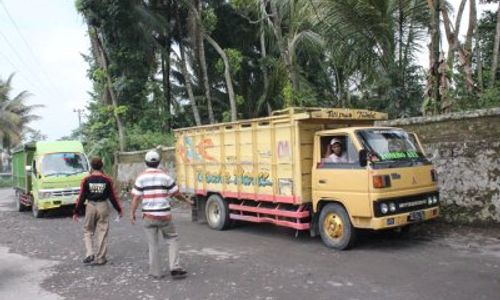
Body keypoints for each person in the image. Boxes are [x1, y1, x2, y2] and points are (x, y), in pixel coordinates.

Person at [129, 150, 193, 280]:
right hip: (164, 216)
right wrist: (187, 201)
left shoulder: (141, 177)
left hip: (148, 217)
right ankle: (175, 267)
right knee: (172, 239)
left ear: (146, 162)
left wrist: (132, 213)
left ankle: (156, 272)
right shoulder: (165, 176)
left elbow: (136, 198)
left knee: (153, 244)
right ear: (158, 163)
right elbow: (176, 193)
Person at [73, 157, 123, 265]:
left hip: (90, 206)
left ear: (91, 166)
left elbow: (81, 197)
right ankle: (100, 258)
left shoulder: (86, 180)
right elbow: (113, 197)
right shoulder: (107, 180)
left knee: (88, 231)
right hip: (103, 206)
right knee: (102, 232)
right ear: (102, 166)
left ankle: (90, 253)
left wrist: (76, 212)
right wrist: (119, 210)